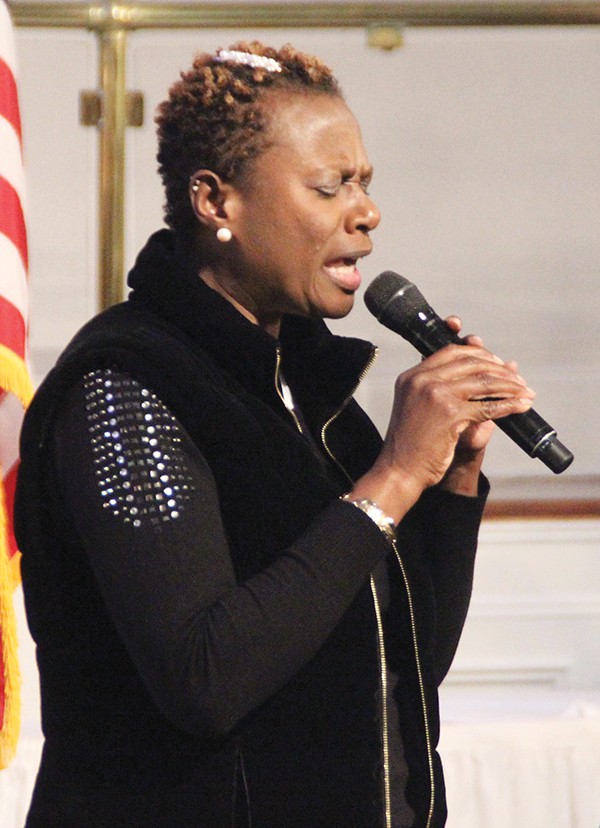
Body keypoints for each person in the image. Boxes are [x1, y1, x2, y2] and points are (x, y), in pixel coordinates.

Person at [15, 41, 535, 828]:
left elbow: (402, 668)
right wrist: (395, 474)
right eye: (329, 186)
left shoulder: (309, 388)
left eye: (363, 183)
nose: (366, 212)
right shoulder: (123, 388)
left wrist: (450, 479)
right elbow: (205, 678)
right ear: (215, 202)